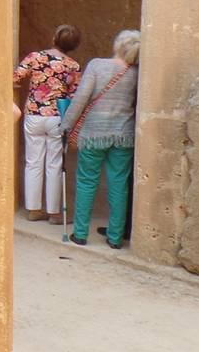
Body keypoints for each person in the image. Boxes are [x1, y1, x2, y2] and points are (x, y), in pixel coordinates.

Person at [60, 30, 141, 249]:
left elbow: (81, 99)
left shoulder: (97, 65)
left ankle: (81, 233)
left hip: (94, 133)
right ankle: (115, 237)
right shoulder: (137, 72)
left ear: (117, 45)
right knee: (119, 185)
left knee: (86, 181)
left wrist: (66, 125)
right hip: (124, 134)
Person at [12, 24, 83, 224]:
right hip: (56, 118)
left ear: (54, 38)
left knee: (33, 162)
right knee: (54, 164)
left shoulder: (36, 57)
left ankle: (33, 209)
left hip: (34, 114)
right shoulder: (72, 66)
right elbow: (75, 94)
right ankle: (54, 213)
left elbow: (15, 76)